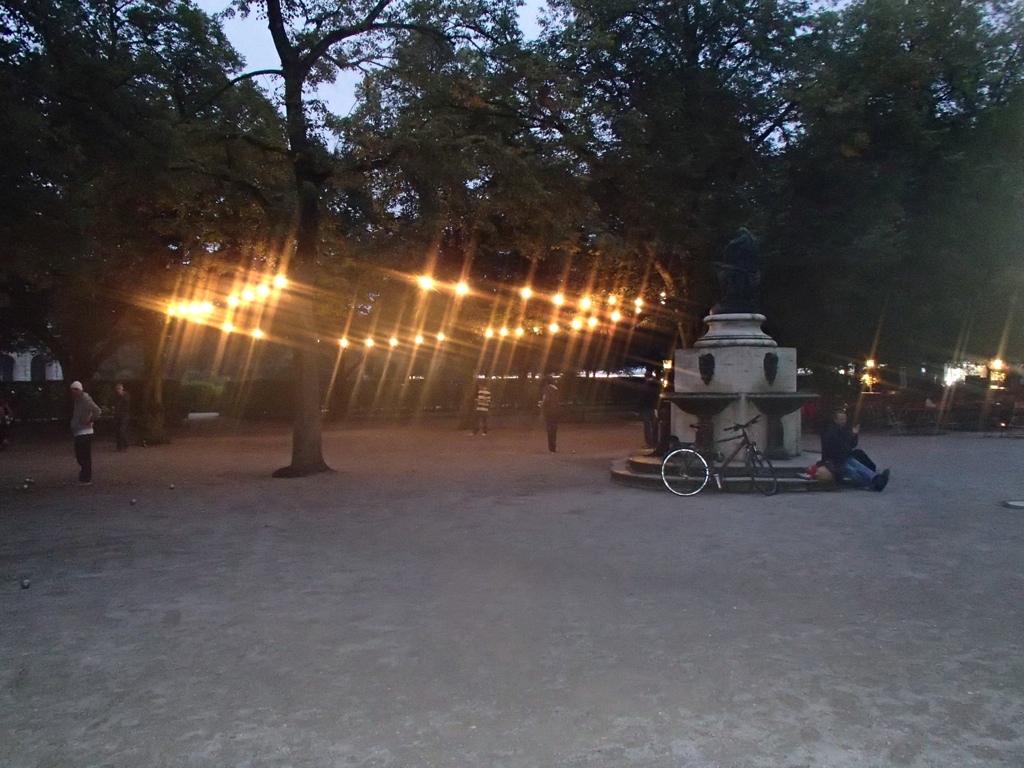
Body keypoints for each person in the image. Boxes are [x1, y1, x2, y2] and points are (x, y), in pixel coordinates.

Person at [820, 407, 890, 491]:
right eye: (841, 419)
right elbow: (841, 447)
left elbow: (852, 445)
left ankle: (877, 478)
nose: (844, 421)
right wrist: (852, 436)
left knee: (860, 466)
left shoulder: (844, 429)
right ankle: (872, 484)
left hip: (844, 457)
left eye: (845, 419)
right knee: (854, 472)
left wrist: (854, 435)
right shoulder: (830, 432)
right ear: (835, 420)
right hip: (833, 460)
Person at [69, 380, 102, 485]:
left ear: (78, 390)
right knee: (81, 455)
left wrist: (91, 420)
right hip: (80, 430)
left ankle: (86, 477)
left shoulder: (85, 399)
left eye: (74, 391)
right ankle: (85, 475)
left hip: (85, 431)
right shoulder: (78, 400)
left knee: (84, 455)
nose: (72, 393)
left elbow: (97, 411)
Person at [637, 372, 661, 450]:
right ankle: (655, 442)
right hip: (655, 407)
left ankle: (649, 443)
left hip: (646, 408)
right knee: (654, 426)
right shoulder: (658, 386)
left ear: (645, 377)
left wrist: (638, 409)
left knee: (647, 426)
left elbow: (641, 399)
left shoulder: (644, 387)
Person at [540, 376, 560, 453]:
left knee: (549, 429)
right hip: (556, 411)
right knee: (554, 429)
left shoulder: (547, 389)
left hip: (549, 411)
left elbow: (546, 399)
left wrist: (542, 404)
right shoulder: (556, 389)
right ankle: (554, 447)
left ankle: (551, 447)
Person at [112, 382, 131, 451]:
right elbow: (112, 403)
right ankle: (119, 446)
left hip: (124, 415)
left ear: (122, 389)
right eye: (117, 389)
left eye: (119, 389)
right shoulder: (115, 396)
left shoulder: (126, 395)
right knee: (117, 431)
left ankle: (126, 445)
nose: (118, 390)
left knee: (122, 430)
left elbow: (127, 402)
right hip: (117, 415)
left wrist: (122, 395)